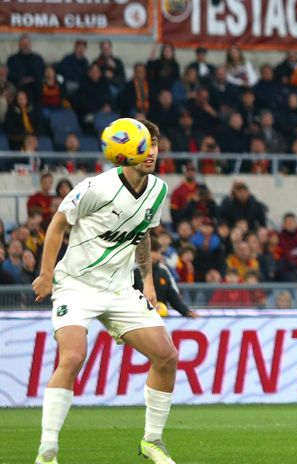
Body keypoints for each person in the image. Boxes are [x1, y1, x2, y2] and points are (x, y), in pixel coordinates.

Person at [31, 120, 178, 464]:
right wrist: (47, 273)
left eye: (155, 144)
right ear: (124, 152)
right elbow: (57, 223)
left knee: (167, 356)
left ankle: (152, 441)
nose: (151, 151)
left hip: (119, 289)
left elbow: (142, 234)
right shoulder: (96, 187)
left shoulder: (158, 190)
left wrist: (149, 281)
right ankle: (47, 451)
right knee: (73, 357)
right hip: (76, 286)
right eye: (145, 144)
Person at [133, 238, 200, 319]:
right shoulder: (133, 272)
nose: (159, 255)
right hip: (139, 317)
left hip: (161, 317)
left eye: (159, 252)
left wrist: (186, 311)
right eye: (156, 252)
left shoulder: (163, 271)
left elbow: (172, 296)